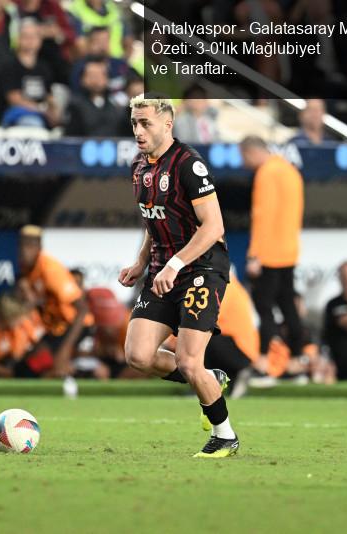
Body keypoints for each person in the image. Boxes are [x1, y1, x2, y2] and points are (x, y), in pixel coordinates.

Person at [117, 93, 238, 458]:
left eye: (146, 123)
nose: (138, 130)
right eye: (135, 123)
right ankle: (211, 380)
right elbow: (153, 220)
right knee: (138, 355)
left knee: (188, 360)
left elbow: (213, 226)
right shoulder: (140, 167)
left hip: (202, 268)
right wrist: (142, 262)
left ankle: (225, 435)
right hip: (161, 269)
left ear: (167, 124)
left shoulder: (189, 165)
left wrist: (175, 265)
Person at [240, 135, 305, 379]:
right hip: (289, 251)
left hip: (268, 254)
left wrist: (255, 255)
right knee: (288, 306)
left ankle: (264, 362)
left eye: (243, 156)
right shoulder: (290, 170)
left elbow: (262, 215)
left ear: (251, 152)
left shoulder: (266, 173)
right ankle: (297, 361)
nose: (243, 162)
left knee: (264, 307)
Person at [18, 224, 89, 376]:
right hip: (56, 327)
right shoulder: (28, 269)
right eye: (22, 245)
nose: (25, 251)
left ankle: (81, 381)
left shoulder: (51, 270)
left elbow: (82, 309)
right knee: (26, 367)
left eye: (30, 245)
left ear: (39, 247)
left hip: (74, 325)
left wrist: (64, 349)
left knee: (50, 366)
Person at [0, 19, 60, 128]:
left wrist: (54, 111)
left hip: (40, 114)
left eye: (34, 37)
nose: (30, 41)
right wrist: (41, 110)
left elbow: (49, 96)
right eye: (26, 37)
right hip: (15, 114)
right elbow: (14, 99)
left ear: (40, 41)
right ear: (18, 39)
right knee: (32, 123)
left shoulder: (44, 68)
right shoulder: (9, 65)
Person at [68, 26, 138, 106]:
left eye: (105, 40)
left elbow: (135, 81)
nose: (102, 45)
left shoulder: (119, 63)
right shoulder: (80, 67)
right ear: (89, 44)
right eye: (98, 41)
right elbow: (76, 94)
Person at [64, 58, 130, 137]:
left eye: (101, 75)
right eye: (92, 75)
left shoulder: (117, 105)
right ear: (82, 79)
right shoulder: (75, 105)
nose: (96, 80)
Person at [15, 0, 75, 84]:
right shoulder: (14, 5)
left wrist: (56, 33)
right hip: (20, 57)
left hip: (50, 58)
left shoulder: (51, 6)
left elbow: (70, 36)